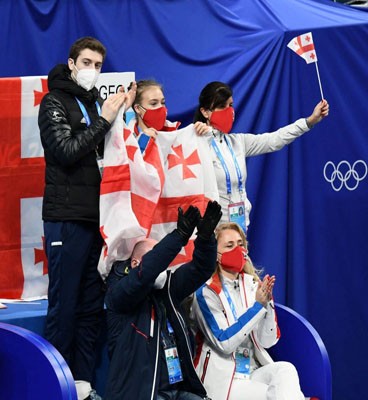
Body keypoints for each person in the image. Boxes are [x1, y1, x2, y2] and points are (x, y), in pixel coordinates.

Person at [38, 36, 136, 400]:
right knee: (64, 308)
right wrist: (105, 120)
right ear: (71, 63)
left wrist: (123, 115)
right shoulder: (53, 102)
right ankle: (56, 388)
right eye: (87, 62)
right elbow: (65, 151)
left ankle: (82, 385)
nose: (93, 70)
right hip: (66, 217)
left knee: (91, 307)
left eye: (98, 65)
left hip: (99, 218)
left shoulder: (96, 104)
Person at [104, 201, 222, 400]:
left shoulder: (167, 289)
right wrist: (178, 237)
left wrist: (206, 239)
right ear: (135, 263)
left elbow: (201, 269)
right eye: (156, 256)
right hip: (140, 394)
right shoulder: (119, 295)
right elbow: (146, 271)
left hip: (176, 391)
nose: (162, 263)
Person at [192, 81, 329, 231]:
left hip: (240, 230)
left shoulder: (238, 142)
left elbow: (275, 139)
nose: (228, 111)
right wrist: (195, 135)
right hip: (212, 234)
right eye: (221, 106)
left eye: (230, 105)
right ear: (205, 112)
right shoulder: (196, 144)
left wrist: (310, 121)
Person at [191, 222, 304, 400]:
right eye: (229, 246)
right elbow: (224, 343)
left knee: (285, 370)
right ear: (216, 255)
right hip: (226, 379)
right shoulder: (206, 293)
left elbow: (267, 341)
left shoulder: (253, 285)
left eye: (240, 244)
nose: (238, 250)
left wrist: (267, 304)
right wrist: (257, 307)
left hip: (253, 370)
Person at [128, 79, 181, 153]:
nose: (161, 107)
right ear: (137, 108)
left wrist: (201, 135)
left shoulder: (174, 133)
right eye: (154, 103)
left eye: (163, 102)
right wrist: (142, 142)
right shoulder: (126, 138)